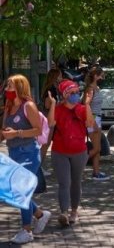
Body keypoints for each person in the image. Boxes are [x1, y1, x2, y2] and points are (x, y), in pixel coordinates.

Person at [1, 75, 51, 244]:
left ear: (20, 88)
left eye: (10, 86)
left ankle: (26, 230)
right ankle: (40, 215)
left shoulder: (28, 106)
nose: (7, 89)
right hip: (14, 153)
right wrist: (6, 134)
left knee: (21, 192)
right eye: (6, 86)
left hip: (28, 153)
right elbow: (3, 131)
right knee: (15, 192)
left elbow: (37, 130)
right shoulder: (8, 107)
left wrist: (17, 133)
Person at [48, 80, 94, 227]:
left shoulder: (81, 109)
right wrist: (53, 104)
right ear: (65, 95)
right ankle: (64, 212)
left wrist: (87, 104)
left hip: (79, 151)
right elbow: (50, 123)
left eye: (76, 92)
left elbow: (90, 124)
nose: (76, 95)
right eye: (72, 93)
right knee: (64, 183)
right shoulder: (59, 109)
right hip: (60, 151)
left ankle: (74, 211)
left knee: (75, 182)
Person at [82, 66, 109, 181]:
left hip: (97, 118)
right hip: (92, 119)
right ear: (95, 76)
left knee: (97, 148)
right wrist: (93, 123)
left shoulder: (96, 87)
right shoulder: (90, 89)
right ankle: (78, 164)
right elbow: (86, 106)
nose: (103, 76)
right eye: (101, 74)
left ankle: (96, 172)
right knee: (97, 148)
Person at [39, 68, 63, 168]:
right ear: (55, 76)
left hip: (50, 117)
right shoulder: (51, 89)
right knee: (45, 144)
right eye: (60, 75)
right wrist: (60, 104)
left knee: (47, 143)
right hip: (49, 118)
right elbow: (48, 105)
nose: (61, 77)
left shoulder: (53, 88)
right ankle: (38, 167)